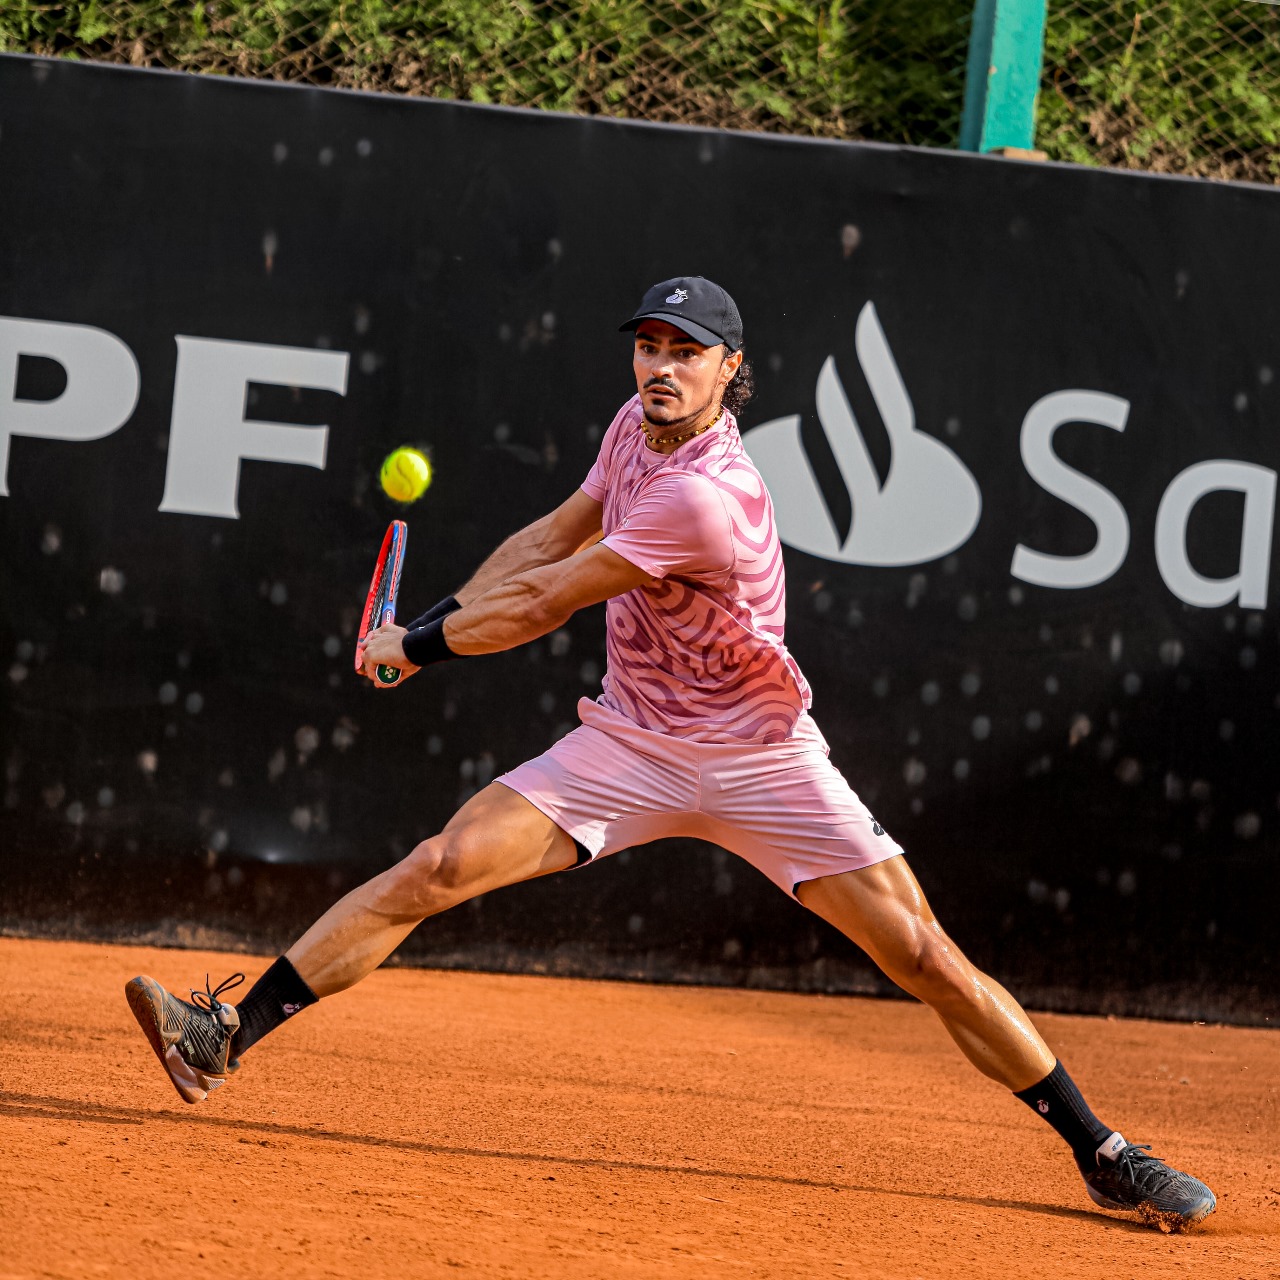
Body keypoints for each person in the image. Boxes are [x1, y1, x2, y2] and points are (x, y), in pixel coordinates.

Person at [126, 276, 1215, 1233]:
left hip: (759, 756)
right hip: (632, 741)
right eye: (648, 346)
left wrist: (413, 648)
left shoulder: (705, 495)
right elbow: (547, 539)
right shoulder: (631, 427)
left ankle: (1103, 1152)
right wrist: (436, 617)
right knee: (437, 865)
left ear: (730, 370)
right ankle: (224, 1035)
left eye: (686, 353)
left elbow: (549, 599)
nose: (660, 367)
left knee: (926, 956)